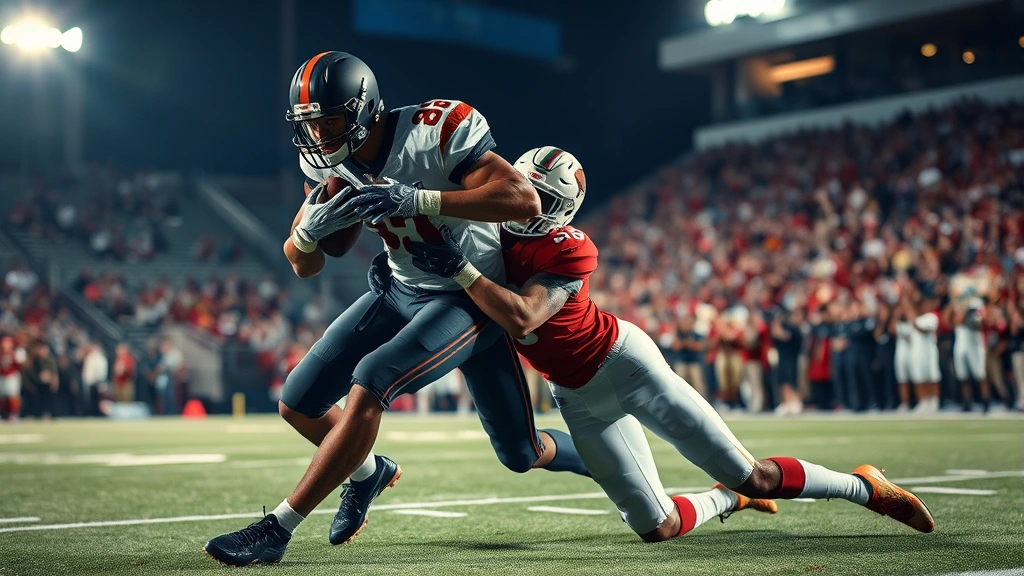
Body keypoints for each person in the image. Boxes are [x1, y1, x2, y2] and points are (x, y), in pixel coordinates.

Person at [406, 146, 935, 542]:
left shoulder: (570, 246)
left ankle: (864, 486)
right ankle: (728, 499)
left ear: (557, 207)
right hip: (574, 396)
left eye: (534, 197)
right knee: (656, 527)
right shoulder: (495, 232)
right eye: (517, 189)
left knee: (758, 474)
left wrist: (460, 267)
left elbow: (523, 319)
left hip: (624, 366)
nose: (519, 204)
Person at [204, 52, 588, 567]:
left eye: (330, 121)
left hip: (466, 296)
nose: (319, 136)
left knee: (506, 446)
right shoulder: (328, 159)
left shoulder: (436, 130)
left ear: (363, 109)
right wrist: (308, 232)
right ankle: (369, 473)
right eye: (310, 125)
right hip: (400, 290)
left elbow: (523, 201)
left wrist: (418, 199)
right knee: (297, 401)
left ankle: (278, 529)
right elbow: (309, 263)